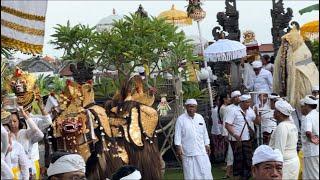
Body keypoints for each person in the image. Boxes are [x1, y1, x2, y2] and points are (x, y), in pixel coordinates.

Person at [174, 99, 213, 180]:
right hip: (188, 152)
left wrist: (207, 144)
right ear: (186, 107)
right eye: (189, 106)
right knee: (190, 174)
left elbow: (205, 132)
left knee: (205, 172)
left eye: (193, 107)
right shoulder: (180, 119)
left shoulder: (200, 117)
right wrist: (178, 148)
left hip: (201, 151)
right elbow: (177, 135)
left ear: (196, 108)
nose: (191, 109)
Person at [225, 94, 261, 180]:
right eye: (247, 102)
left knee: (248, 160)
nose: (249, 104)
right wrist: (235, 135)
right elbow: (227, 125)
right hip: (237, 140)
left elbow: (257, 122)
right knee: (238, 161)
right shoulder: (233, 111)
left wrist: (257, 114)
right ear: (241, 102)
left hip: (247, 139)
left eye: (249, 102)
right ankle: (238, 177)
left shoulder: (250, 110)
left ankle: (246, 177)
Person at [7, 107, 44, 179]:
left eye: (14, 121)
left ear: (19, 121)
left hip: (29, 169)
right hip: (13, 171)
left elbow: (40, 134)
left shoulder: (25, 133)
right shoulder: (6, 135)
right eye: (9, 121)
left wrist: (25, 115)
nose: (12, 124)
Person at [269, 100, 300, 180]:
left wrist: (276, 169)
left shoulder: (282, 126)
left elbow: (279, 150)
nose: (273, 112)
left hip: (285, 165)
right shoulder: (292, 125)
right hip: (293, 162)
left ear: (279, 113)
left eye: (275, 110)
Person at [223, 91, 241, 178]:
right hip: (232, 134)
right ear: (233, 99)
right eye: (236, 97)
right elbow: (225, 122)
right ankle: (228, 172)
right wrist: (225, 133)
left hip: (242, 135)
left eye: (239, 96)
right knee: (231, 153)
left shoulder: (243, 107)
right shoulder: (228, 108)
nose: (238, 98)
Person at [300, 95, 319, 180]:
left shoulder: (308, 117)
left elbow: (308, 131)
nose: (302, 108)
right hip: (315, 151)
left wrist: (313, 138)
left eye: (303, 106)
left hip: (311, 151)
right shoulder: (317, 115)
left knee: (313, 176)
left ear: (307, 106)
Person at [210, 96, 224, 163]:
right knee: (217, 146)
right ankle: (218, 160)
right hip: (216, 131)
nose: (219, 102)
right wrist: (219, 132)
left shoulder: (221, 109)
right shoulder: (215, 110)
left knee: (221, 146)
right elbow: (215, 122)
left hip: (221, 130)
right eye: (217, 100)